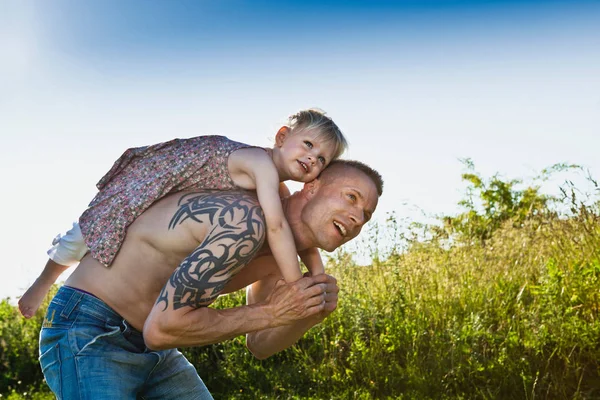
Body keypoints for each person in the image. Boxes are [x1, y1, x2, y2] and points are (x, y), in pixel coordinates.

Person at [39, 160, 383, 399]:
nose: (357, 217)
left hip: (152, 344)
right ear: (312, 186)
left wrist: (305, 314)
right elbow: (162, 330)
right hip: (90, 326)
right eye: (351, 197)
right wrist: (276, 312)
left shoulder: (284, 259)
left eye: (366, 215)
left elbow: (259, 346)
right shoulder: (248, 221)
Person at [19, 109, 348, 318]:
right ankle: (43, 281)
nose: (311, 158)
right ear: (282, 137)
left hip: (177, 186)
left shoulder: (276, 187)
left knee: (113, 232)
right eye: (308, 145)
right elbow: (276, 227)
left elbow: (295, 232)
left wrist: (317, 276)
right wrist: (295, 284)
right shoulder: (260, 165)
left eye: (321, 159)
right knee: (94, 226)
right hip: (161, 173)